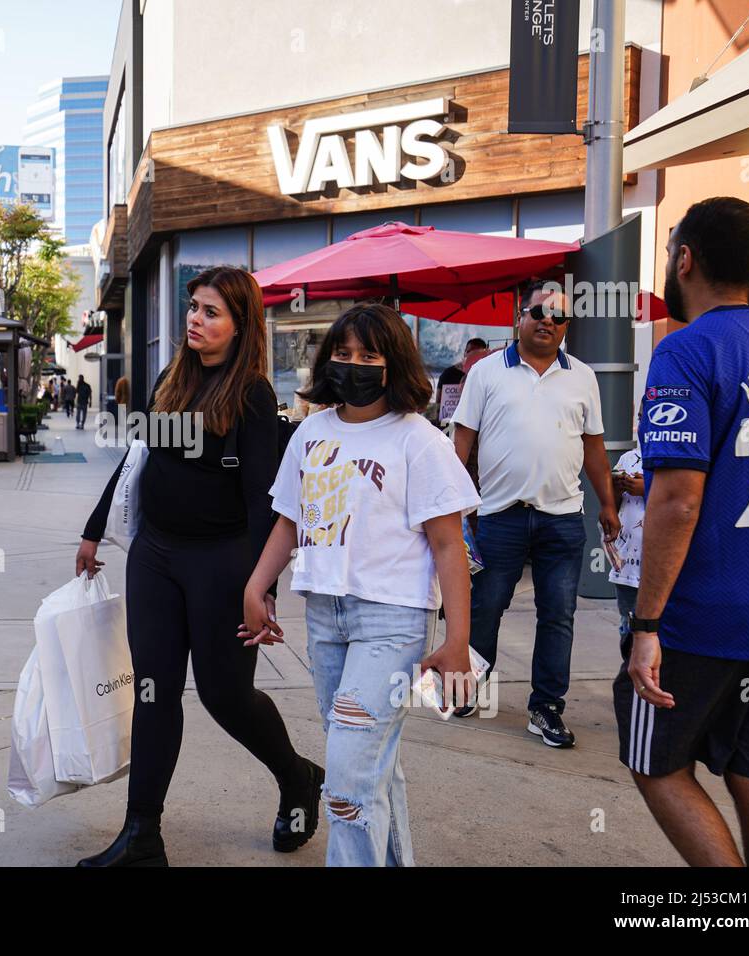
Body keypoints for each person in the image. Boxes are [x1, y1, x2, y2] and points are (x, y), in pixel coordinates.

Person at [75, 266, 319, 867]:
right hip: (155, 558)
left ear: (241, 326)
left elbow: (267, 500)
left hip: (221, 563)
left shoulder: (252, 396)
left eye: (211, 312)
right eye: (193, 307)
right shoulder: (171, 378)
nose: (195, 320)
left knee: (225, 697)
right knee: (154, 692)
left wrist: (261, 588)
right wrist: (93, 527)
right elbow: (139, 459)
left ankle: (297, 777)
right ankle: (142, 836)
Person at [240, 304, 481, 866]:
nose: (354, 365)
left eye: (369, 356)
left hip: (391, 621)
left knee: (346, 784)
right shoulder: (311, 432)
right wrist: (257, 584)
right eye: (343, 354)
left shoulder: (419, 441)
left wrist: (457, 641)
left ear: (393, 364)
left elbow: (450, 544)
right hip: (325, 617)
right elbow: (290, 520)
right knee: (371, 765)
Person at [616, 197, 749, 867]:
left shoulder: (685, 353)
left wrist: (646, 626)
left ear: (685, 259)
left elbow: (675, 503)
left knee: (656, 763)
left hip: (705, 615)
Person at [450, 279, 619, 746]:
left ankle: (546, 708)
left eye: (559, 317)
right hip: (499, 516)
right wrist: (453, 502)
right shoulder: (486, 372)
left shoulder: (582, 376)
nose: (548, 321)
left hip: (562, 520)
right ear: (519, 317)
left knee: (558, 615)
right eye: (539, 312)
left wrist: (607, 503)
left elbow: (594, 446)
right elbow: (461, 439)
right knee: (485, 606)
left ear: (566, 327)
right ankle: (466, 686)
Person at [609, 438, 644, 654]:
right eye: (641, 417)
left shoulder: (673, 458)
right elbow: (613, 505)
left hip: (658, 567)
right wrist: (615, 486)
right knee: (628, 625)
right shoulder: (628, 458)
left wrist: (648, 487)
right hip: (628, 566)